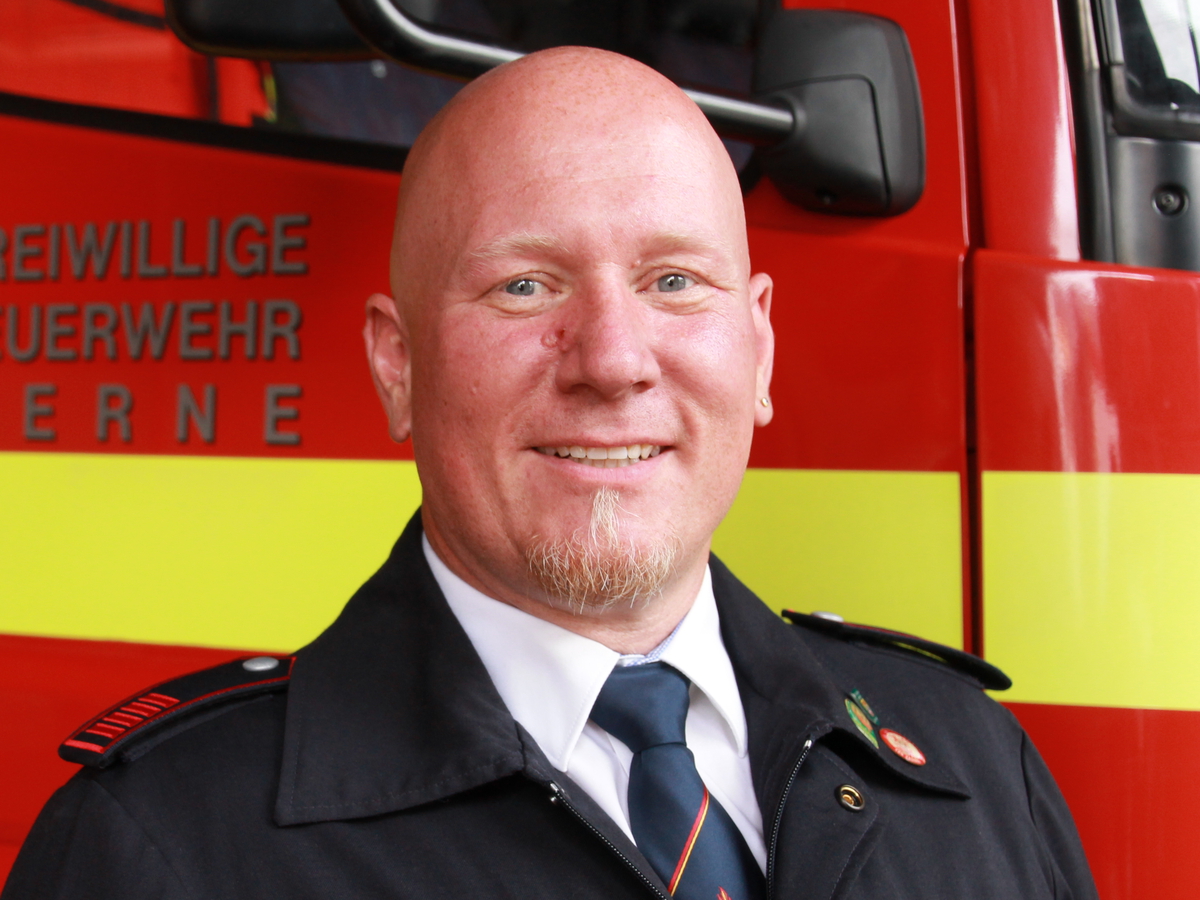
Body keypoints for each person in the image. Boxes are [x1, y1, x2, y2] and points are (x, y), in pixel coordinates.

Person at [3, 47, 1098, 900]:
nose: (613, 361)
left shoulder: (974, 765)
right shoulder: (161, 851)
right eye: (524, 287)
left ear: (759, 351)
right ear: (398, 365)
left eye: (674, 281)